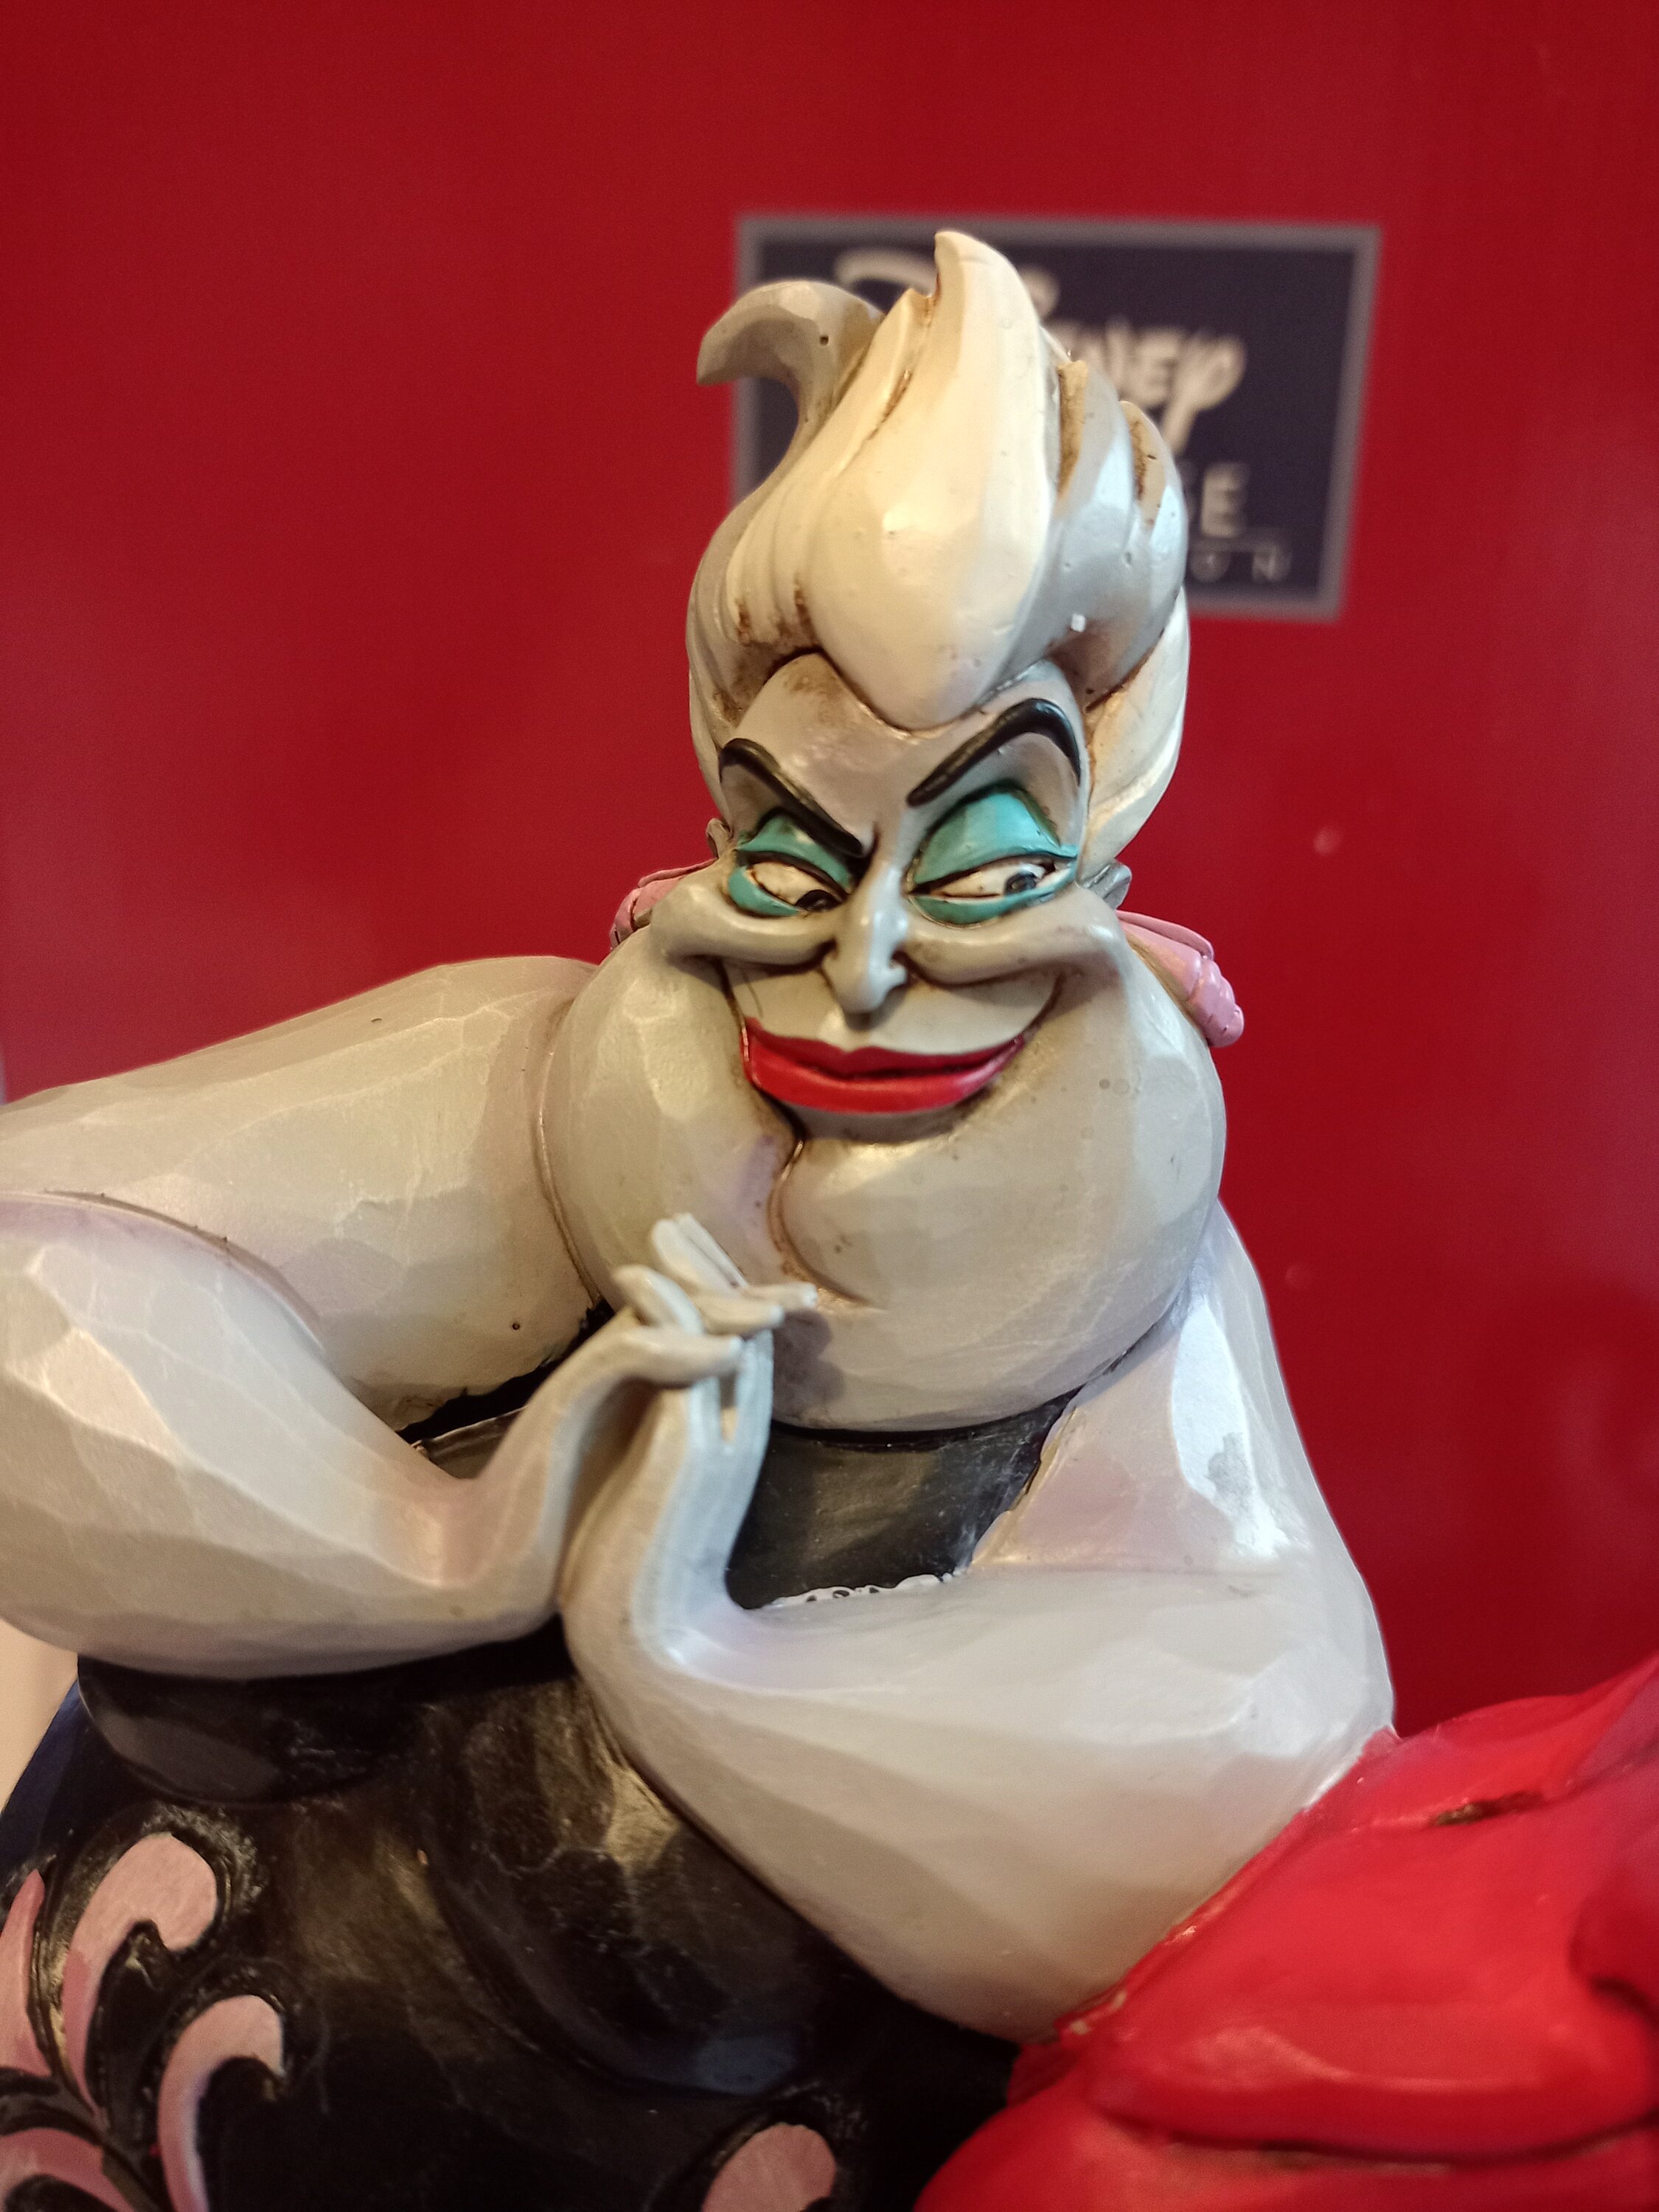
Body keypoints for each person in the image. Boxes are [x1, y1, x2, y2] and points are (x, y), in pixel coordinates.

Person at [0, 234, 1385, 2210]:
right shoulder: (522, 1085)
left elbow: (1253, 1747)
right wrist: (441, 1548)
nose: (870, 961)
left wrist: (691, 1660)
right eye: (799, 850)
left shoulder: (1134, 1273)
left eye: (981, 865)